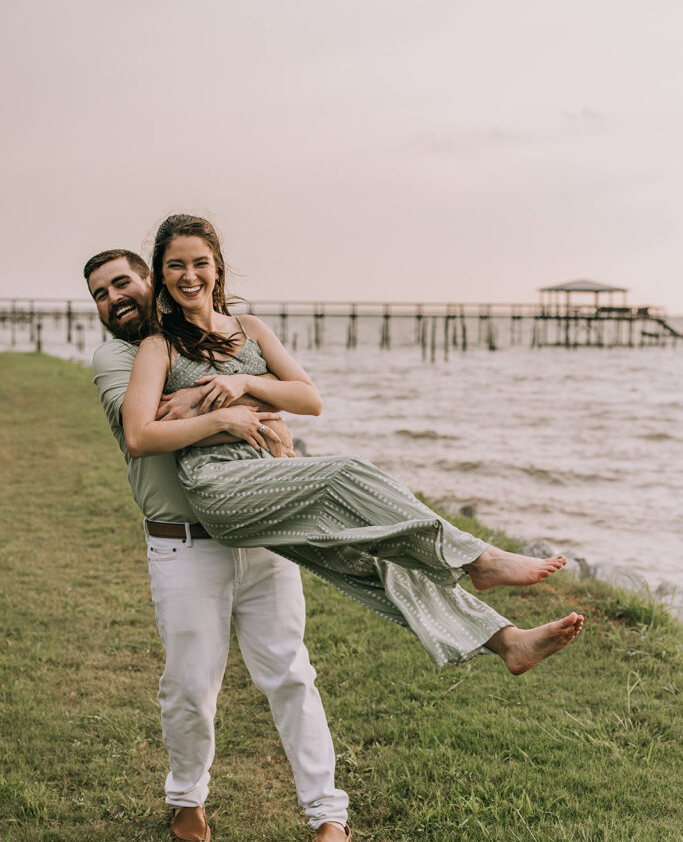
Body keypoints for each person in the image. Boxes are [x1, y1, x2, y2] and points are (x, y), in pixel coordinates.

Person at [122, 214, 584, 678]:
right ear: (161, 275)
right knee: (345, 470)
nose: (189, 276)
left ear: (217, 267)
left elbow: (309, 398)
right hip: (218, 485)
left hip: (273, 474)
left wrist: (242, 381)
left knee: (369, 560)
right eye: (175, 265)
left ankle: (507, 642)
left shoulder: (251, 329)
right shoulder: (159, 347)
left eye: (199, 263)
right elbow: (140, 437)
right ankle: (477, 557)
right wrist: (224, 417)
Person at [86, 249, 352, 842]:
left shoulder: (217, 336)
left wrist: (239, 405)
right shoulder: (119, 357)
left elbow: (292, 402)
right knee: (189, 684)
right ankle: (186, 797)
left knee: (290, 673)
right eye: (99, 294)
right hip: (183, 543)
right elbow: (144, 425)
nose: (114, 298)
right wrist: (233, 416)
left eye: (122, 282)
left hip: (262, 532)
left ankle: (328, 814)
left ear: (152, 280)